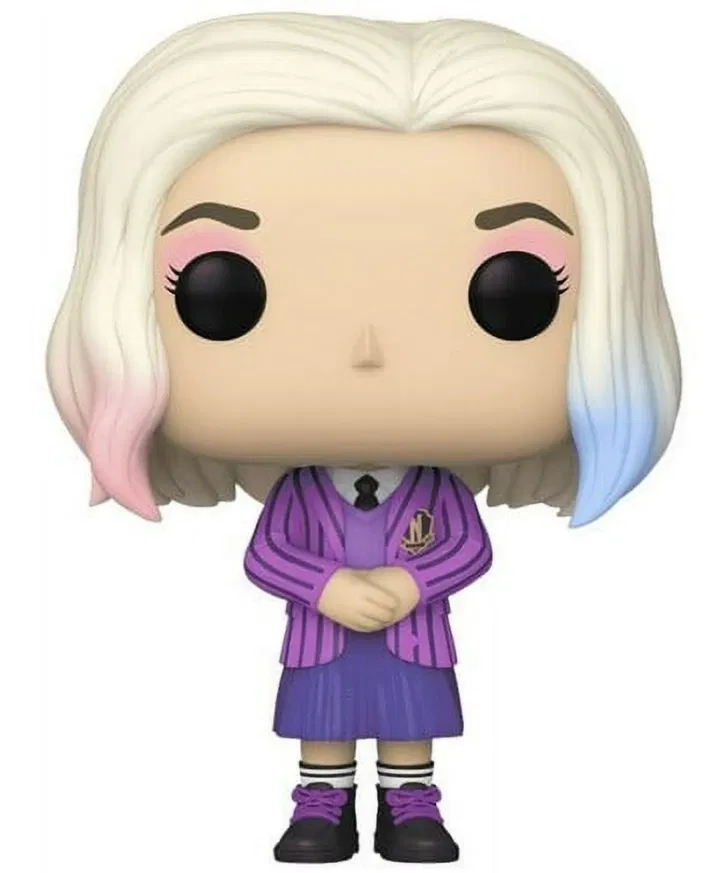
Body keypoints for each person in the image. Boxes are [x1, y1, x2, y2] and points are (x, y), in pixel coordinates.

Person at [46, 12, 681, 864]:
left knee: (412, 728)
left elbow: (469, 549)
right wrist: (329, 586)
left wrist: (414, 581)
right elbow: (268, 555)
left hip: (416, 634)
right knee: (325, 729)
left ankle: (412, 809)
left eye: (515, 291)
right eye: (222, 290)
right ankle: (322, 809)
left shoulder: (436, 492)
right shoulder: (303, 494)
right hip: (322, 636)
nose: (368, 349)